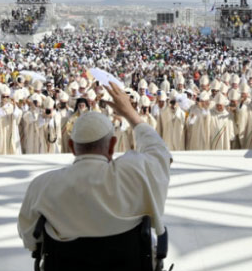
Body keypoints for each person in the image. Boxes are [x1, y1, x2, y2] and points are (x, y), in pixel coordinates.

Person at [17, 81, 171, 249]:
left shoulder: (42, 187)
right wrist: (130, 113)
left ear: (71, 147)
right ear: (113, 145)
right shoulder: (136, 172)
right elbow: (159, 151)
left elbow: (30, 239)